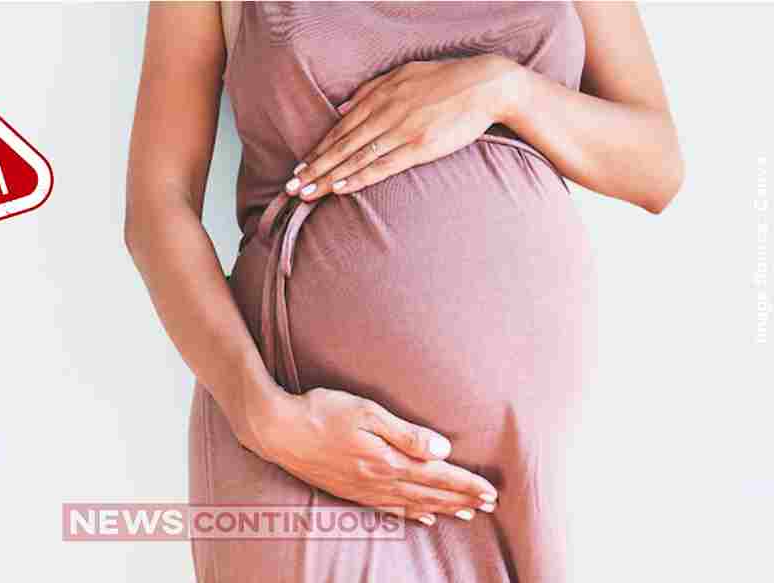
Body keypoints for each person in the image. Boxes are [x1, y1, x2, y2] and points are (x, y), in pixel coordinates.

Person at [125, 2, 683, 581]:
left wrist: (502, 89)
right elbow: (156, 206)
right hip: (309, 440)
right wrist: (262, 416)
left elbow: (657, 166)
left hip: (524, 467)